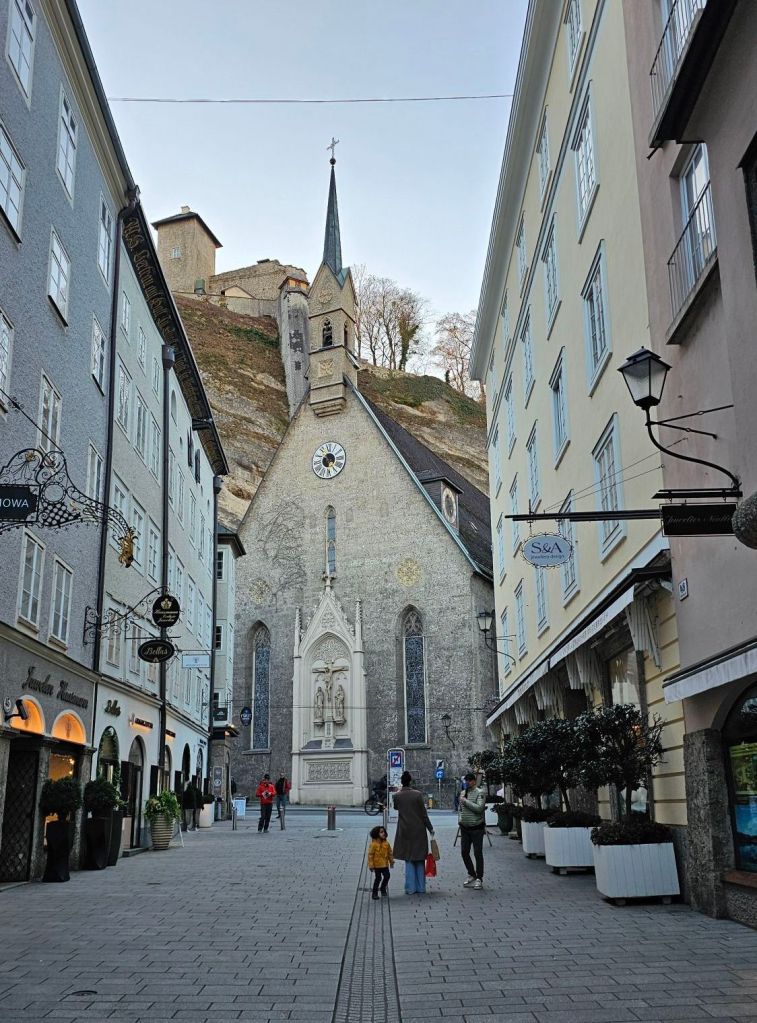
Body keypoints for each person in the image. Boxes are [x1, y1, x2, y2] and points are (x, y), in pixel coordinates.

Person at [392, 770, 435, 895]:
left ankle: (410, 888)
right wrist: (430, 828)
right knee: (420, 858)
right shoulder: (417, 794)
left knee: (409, 858)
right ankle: (421, 887)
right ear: (410, 781)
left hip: (404, 829)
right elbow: (423, 814)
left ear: (402, 782)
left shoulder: (397, 796)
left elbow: (396, 807)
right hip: (418, 829)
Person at [459, 771, 486, 890]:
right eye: (466, 781)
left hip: (477, 828)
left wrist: (465, 801)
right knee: (464, 852)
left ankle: (479, 878)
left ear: (474, 781)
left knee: (477, 853)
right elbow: (461, 809)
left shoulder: (480, 792)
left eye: (469, 781)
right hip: (465, 827)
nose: (467, 783)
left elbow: (479, 808)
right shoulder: (463, 792)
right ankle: (471, 873)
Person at [367, 825, 394, 900]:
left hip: (385, 865)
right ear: (376, 834)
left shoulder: (386, 843)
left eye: (384, 832)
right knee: (378, 878)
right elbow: (370, 855)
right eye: (381, 832)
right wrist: (371, 865)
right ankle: (374, 893)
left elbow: (390, 853)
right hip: (377, 865)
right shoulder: (373, 844)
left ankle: (383, 888)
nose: (383, 833)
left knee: (387, 876)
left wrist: (391, 862)